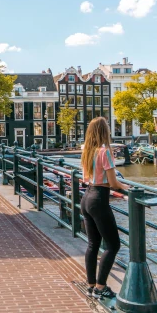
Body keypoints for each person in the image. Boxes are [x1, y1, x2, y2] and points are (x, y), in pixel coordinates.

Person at [80, 117, 129, 299]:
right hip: (99, 198)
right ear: (104, 131)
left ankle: (91, 286)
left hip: (87, 197)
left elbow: (87, 177)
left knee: (93, 244)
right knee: (113, 245)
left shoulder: (87, 150)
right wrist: (125, 187)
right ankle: (101, 287)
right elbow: (113, 182)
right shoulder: (105, 151)